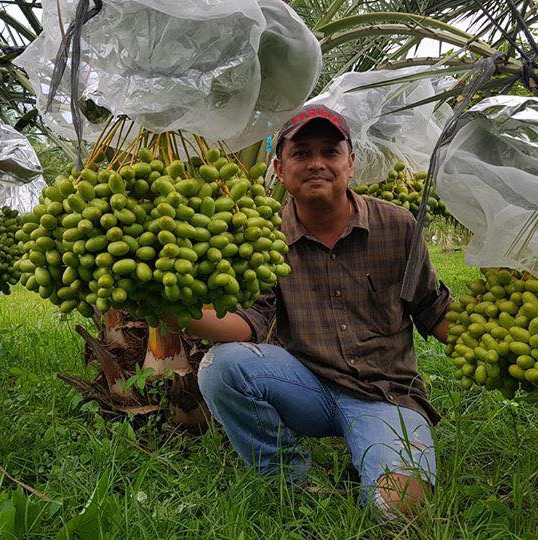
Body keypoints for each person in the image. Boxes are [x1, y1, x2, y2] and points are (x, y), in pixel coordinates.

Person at [179, 104, 452, 516]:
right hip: (309, 387)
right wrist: (169, 311)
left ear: (351, 163)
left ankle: (378, 463)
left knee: (399, 509)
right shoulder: (264, 238)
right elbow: (249, 324)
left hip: (386, 396)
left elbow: (433, 308)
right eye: (301, 153)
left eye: (330, 151)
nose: (317, 164)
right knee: (222, 365)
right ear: (279, 167)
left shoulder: (396, 226)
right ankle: (290, 481)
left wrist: (498, 347)